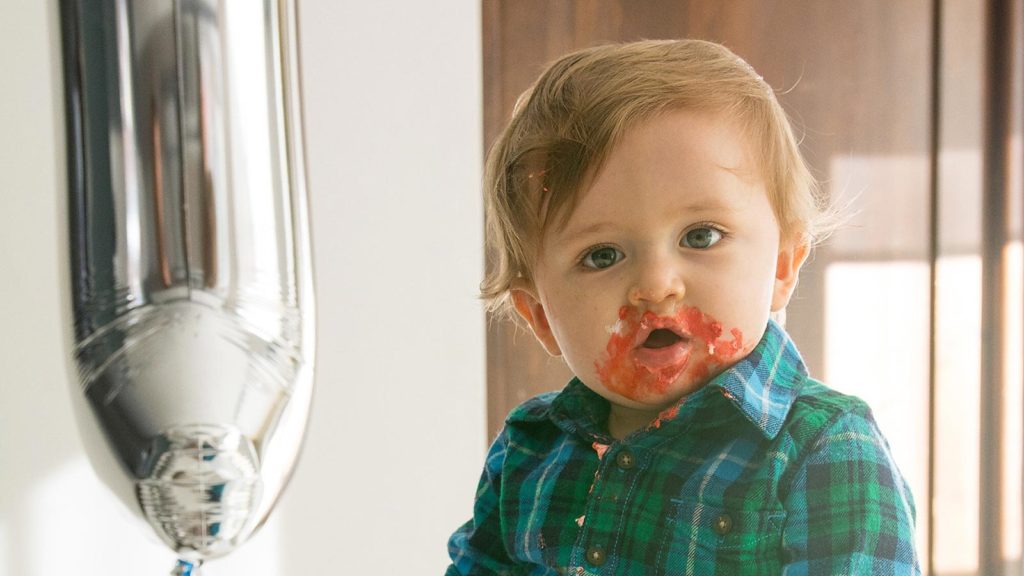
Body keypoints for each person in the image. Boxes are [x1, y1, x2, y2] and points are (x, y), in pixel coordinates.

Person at [446, 39, 919, 575]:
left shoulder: (826, 449)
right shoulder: (527, 452)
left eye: (700, 236)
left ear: (784, 264)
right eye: (602, 255)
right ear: (539, 316)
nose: (656, 285)